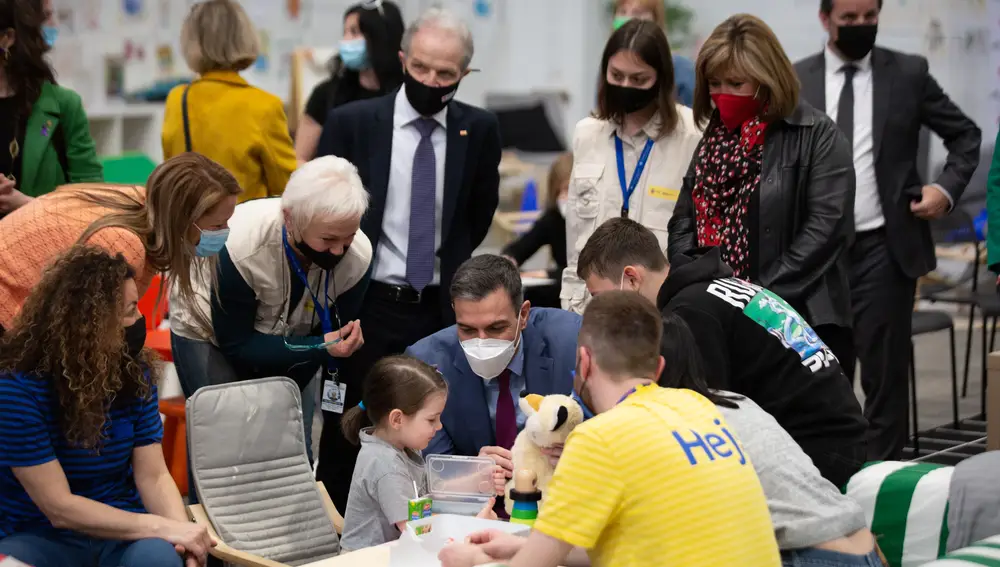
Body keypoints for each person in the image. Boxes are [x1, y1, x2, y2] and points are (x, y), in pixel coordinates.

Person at [314, 7, 502, 512]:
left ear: (464, 73)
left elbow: (477, 214)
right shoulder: (354, 123)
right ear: (402, 59)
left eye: (445, 73)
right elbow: (323, 211)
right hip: (366, 302)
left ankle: (423, 526)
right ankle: (344, 533)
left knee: (430, 427)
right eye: (420, 68)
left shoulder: (479, 130)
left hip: (438, 306)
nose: (430, 81)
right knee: (351, 428)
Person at [438, 291, 781, 567]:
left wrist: (472, 559)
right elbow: (615, 546)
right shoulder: (698, 408)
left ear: (585, 362)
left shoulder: (600, 437)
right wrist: (519, 544)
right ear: (658, 368)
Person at [795, 0, 982, 461]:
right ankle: (835, 475)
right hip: (819, 255)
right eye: (849, 19)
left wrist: (945, 189)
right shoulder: (797, 80)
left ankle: (883, 479)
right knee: (825, 373)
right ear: (825, 19)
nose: (861, 26)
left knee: (885, 378)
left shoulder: (908, 73)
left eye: (869, 17)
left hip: (885, 246)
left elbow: (965, 135)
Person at [579, 217, 867, 488]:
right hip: (840, 434)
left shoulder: (689, 314)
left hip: (819, 453)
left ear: (631, 279)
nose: (599, 310)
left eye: (598, 297)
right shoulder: (711, 289)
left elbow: (706, 428)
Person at [168, 156, 370, 503]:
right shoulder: (241, 247)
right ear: (290, 219)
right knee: (223, 440)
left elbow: (327, 337)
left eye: (348, 238)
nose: (339, 250)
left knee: (292, 443)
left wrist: (320, 351)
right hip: (209, 330)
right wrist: (318, 347)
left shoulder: (359, 257)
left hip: (294, 333)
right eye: (328, 239)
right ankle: (210, 532)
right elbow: (238, 345)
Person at [0, 246, 215, 567]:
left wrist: (185, 540)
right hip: (39, 533)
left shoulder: (134, 372)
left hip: (124, 529)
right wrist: (162, 527)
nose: (140, 320)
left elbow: (154, 476)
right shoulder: (16, 389)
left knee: (161, 561)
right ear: (90, 324)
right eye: (130, 310)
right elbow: (59, 508)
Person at [667, 13, 856, 367]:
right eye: (714, 83)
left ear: (768, 79)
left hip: (798, 322)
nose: (723, 94)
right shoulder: (714, 139)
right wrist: (698, 286)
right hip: (718, 319)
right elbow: (683, 221)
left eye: (736, 83)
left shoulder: (817, 134)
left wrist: (754, 299)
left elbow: (826, 230)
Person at [657, 311, 881, 567]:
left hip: (811, 554)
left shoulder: (668, 422)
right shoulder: (737, 402)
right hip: (864, 545)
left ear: (656, 367)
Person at [0, 152, 241, 335]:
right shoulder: (122, 244)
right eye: (217, 225)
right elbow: (88, 336)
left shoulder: (144, 202)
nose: (225, 232)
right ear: (181, 219)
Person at [407, 254, 580, 497]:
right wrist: (472, 472)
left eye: (496, 328)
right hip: (477, 507)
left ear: (523, 315)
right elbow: (429, 474)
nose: (482, 341)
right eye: (467, 330)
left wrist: (577, 454)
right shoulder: (427, 363)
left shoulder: (571, 342)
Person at [561, 19, 702, 315]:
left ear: (660, 79)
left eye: (638, 79)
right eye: (617, 75)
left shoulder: (692, 136)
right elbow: (575, 236)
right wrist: (572, 308)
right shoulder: (587, 134)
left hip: (660, 310)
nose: (625, 86)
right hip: (591, 308)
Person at [339, 355, 495, 552]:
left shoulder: (402, 447)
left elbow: (431, 492)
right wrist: (472, 526)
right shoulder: (386, 464)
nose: (439, 426)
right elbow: (416, 530)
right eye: (431, 420)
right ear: (397, 419)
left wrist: (478, 478)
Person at [162, 0, 296, 202]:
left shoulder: (177, 99)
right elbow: (288, 188)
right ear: (244, 37)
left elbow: (171, 174)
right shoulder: (265, 106)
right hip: (245, 220)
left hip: (190, 219)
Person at [0, 0, 102, 214]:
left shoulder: (65, 105)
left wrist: (29, 205)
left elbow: (94, 205)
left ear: (7, 38)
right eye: (46, 16)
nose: (53, 24)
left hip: (40, 234)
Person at [295, 0, 404, 163]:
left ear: (380, 37)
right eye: (344, 32)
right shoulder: (326, 94)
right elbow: (300, 157)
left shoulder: (404, 95)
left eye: (354, 32)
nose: (345, 41)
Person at [610, 0, 695, 107]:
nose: (628, 18)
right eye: (623, 12)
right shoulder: (610, 66)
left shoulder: (682, 68)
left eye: (637, 12)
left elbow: (694, 114)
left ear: (656, 20)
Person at [501, 153, 571, 281]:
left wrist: (546, 274)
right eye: (558, 191)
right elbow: (520, 248)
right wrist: (509, 260)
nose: (563, 197)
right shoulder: (553, 218)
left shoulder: (598, 222)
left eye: (568, 189)